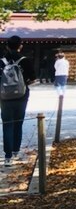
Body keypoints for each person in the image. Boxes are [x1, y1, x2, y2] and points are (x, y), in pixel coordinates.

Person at [1, 35, 36, 167]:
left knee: (7, 124)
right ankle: (16, 151)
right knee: (18, 123)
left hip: (4, 97)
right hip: (21, 96)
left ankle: (8, 157)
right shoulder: (25, 61)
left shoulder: (1, 61)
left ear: (7, 46)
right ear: (20, 46)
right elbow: (33, 78)